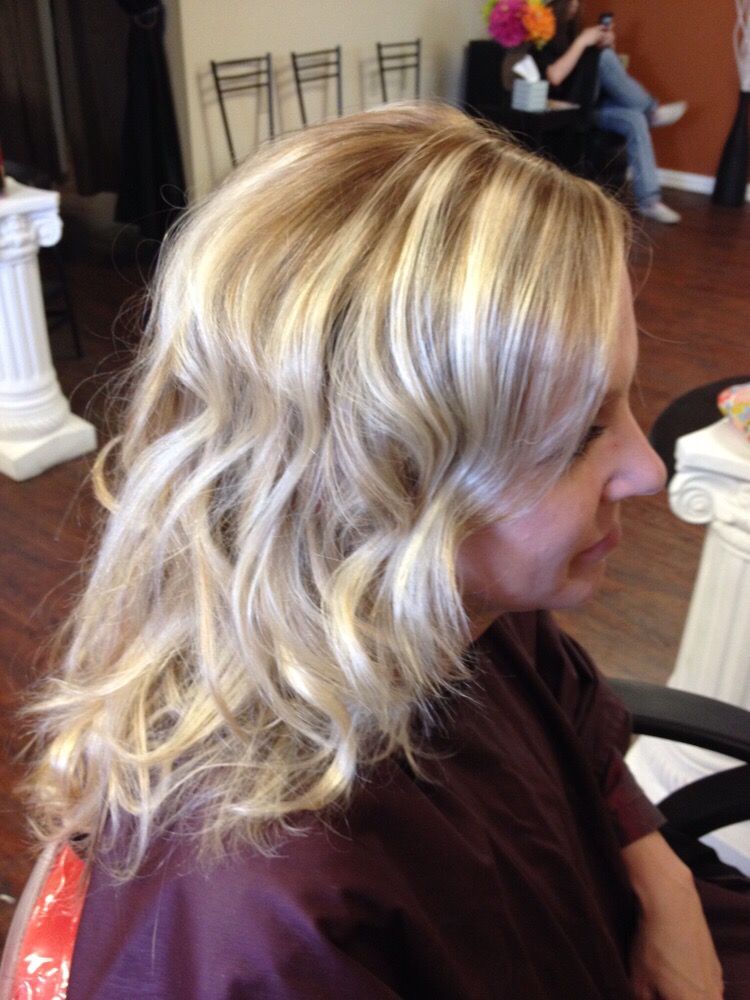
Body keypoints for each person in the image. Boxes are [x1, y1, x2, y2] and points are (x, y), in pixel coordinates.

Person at [4, 103, 749, 1000]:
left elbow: (574, 714)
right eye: (581, 436)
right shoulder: (273, 921)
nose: (647, 470)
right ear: (383, 488)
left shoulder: (458, 597)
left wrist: (661, 878)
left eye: (624, 402)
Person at [540, 1, 687, 224]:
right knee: (605, 59)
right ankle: (652, 112)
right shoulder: (543, 33)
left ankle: (649, 202)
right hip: (573, 108)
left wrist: (608, 46)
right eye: (572, 2)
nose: (576, 6)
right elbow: (555, 76)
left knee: (635, 119)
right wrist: (582, 42)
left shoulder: (573, 30)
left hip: (596, 102)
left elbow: (600, 73)